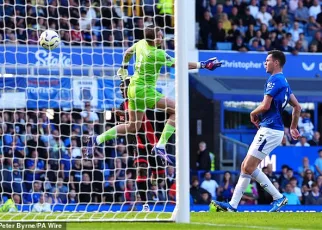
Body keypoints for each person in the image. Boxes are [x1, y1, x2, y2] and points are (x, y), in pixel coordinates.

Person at [87, 25, 222, 164]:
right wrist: (203, 65)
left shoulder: (140, 44)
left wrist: (123, 68)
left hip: (132, 89)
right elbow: (180, 64)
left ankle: (97, 139)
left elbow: (127, 52)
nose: (162, 37)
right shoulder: (158, 54)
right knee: (178, 109)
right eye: (160, 35)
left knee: (133, 127)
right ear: (156, 39)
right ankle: (160, 145)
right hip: (144, 91)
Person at [211, 50, 301, 212]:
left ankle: (279, 197)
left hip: (270, 129)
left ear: (276, 63)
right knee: (246, 166)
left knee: (249, 166)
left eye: (267, 60)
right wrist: (293, 127)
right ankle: (232, 205)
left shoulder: (274, 80)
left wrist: (253, 113)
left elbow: (266, 105)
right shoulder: (284, 82)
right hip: (272, 129)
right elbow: (297, 106)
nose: (264, 63)